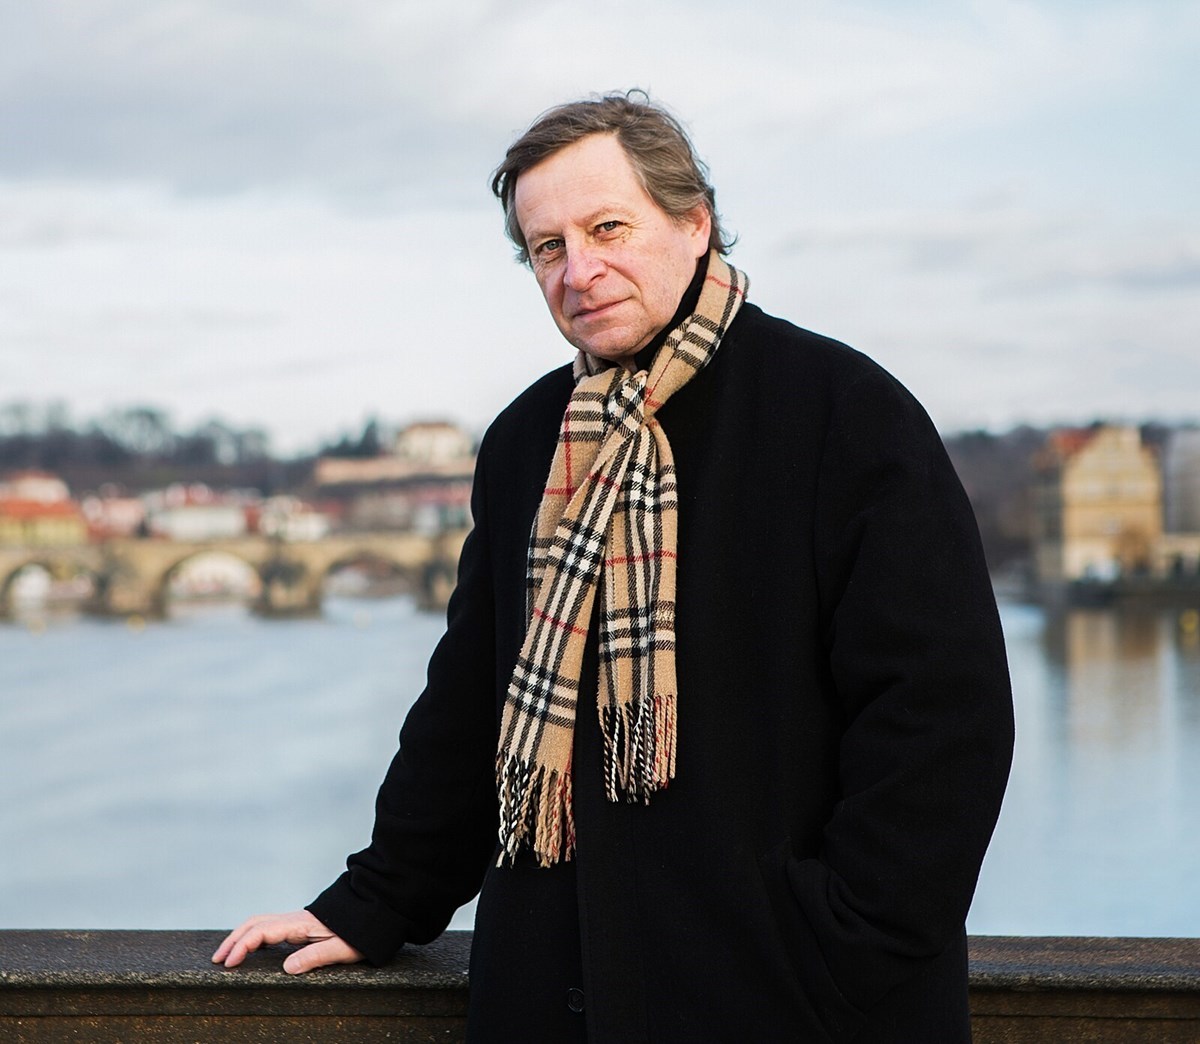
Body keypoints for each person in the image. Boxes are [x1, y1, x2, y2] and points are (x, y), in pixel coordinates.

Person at [214, 90, 1014, 1042]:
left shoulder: (845, 412)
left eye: (608, 229)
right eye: (547, 247)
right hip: (556, 994)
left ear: (693, 223)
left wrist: (842, 946)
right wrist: (378, 899)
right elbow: (473, 703)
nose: (579, 271)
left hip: (788, 1002)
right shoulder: (527, 441)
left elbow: (943, 718)